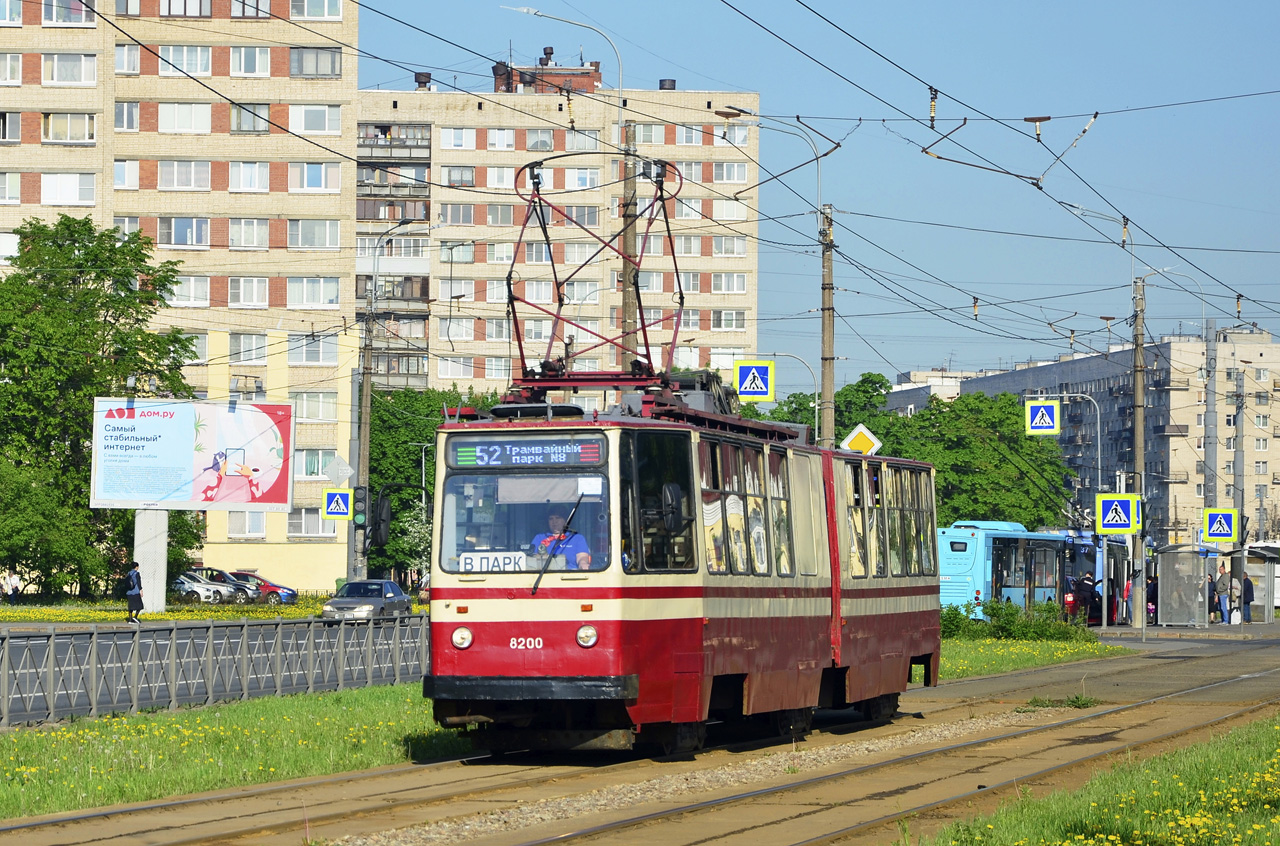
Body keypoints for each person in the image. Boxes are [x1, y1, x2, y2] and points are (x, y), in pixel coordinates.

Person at [531, 505, 591, 570]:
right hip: (544, 575)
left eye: (558, 518)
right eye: (551, 518)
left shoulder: (577, 538)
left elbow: (582, 557)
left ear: (565, 520)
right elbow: (532, 559)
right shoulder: (539, 538)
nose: (554, 522)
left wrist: (583, 564)